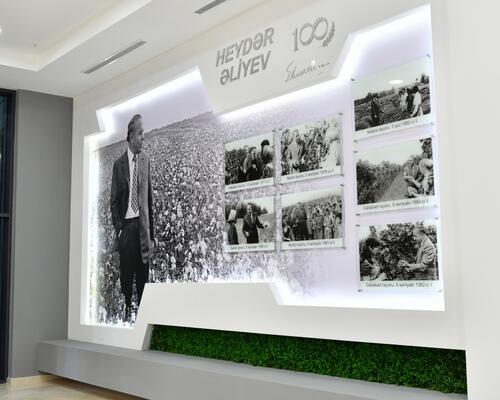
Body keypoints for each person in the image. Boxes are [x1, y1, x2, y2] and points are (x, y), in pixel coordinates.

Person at [110, 114, 154, 321]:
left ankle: (143, 317)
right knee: (127, 275)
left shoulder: (145, 161)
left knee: (143, 275)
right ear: (130, 136)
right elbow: (113, 201)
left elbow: (149, 201)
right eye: (140, 133)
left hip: (142, 228)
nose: (143, 137)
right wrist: (119, 229)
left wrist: (152, 236)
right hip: (127, 229)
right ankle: (127, 310)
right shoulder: (118, 165)